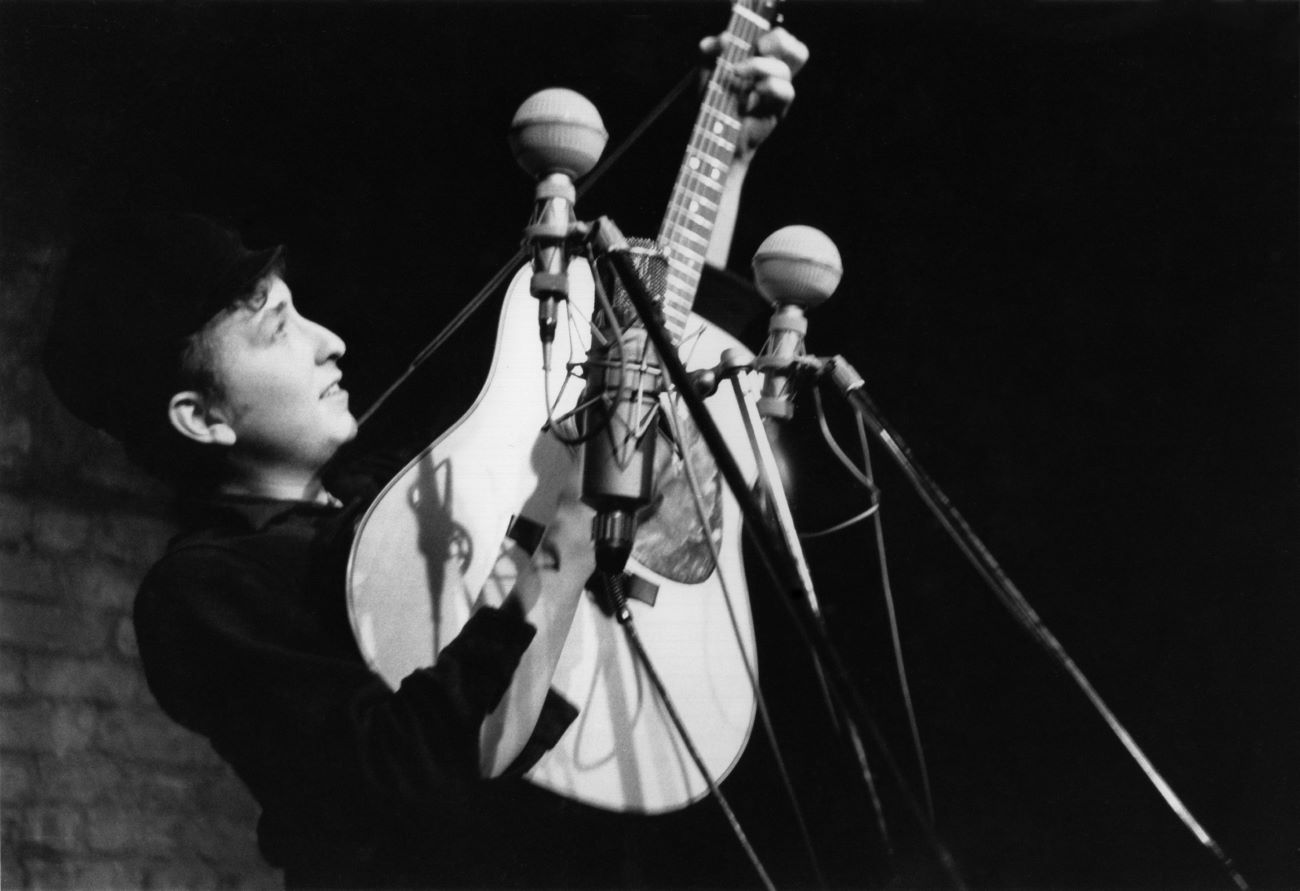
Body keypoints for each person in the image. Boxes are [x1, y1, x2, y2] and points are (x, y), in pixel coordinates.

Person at [43, 27, 809, 890]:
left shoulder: (406, 493)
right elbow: (401, 777)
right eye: (277, 328)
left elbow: (648, 385)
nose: (330, 341)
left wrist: (728, 160)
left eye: (305, 311)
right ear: (201, 416)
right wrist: (557, 545)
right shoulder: (203, 592)